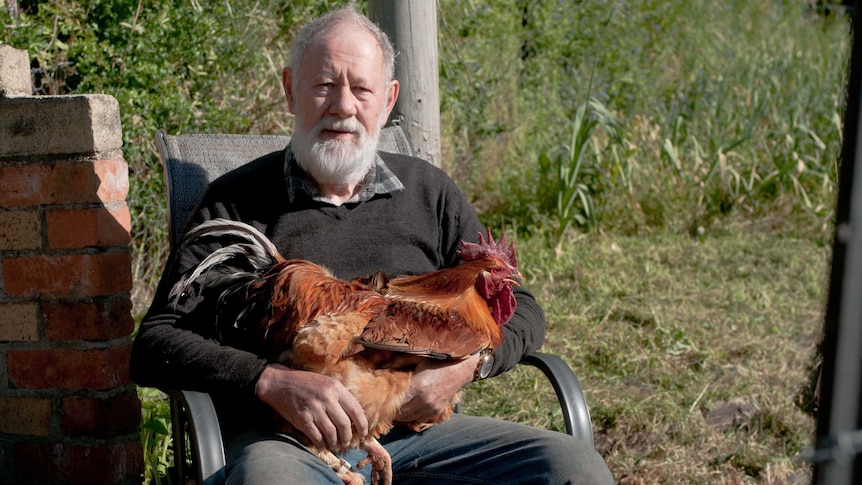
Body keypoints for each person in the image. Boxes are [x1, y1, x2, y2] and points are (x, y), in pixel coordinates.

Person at [130, 6, 613, 484]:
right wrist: (272, 381)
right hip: (290, 441)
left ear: (387, 99)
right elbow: (154, 343)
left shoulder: (431, 191)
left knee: (574, 468)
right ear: (289, 90)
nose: (343, 106)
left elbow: (520, 308)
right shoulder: (234, 200)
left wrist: (466, 368)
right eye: (323, 85)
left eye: (362, 88)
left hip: (423, 437)